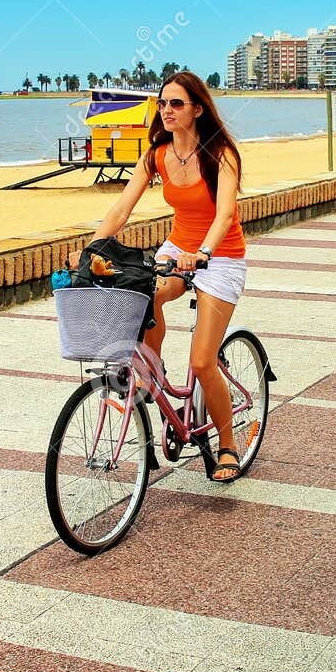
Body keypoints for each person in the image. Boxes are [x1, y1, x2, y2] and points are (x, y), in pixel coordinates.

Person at [73, 71, 249, 482]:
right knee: (143, 292)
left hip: (219, 257)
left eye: (176, 104)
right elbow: (122, 208)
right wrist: (92, 248)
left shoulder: (221, 153)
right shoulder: (157, 154)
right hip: (176, 250)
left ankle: (227, 445)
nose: (166, 111)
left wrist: (203, 252)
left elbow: (225, 213)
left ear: (197, 109)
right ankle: (152, 371)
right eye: (162, 104)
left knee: (203, 361)